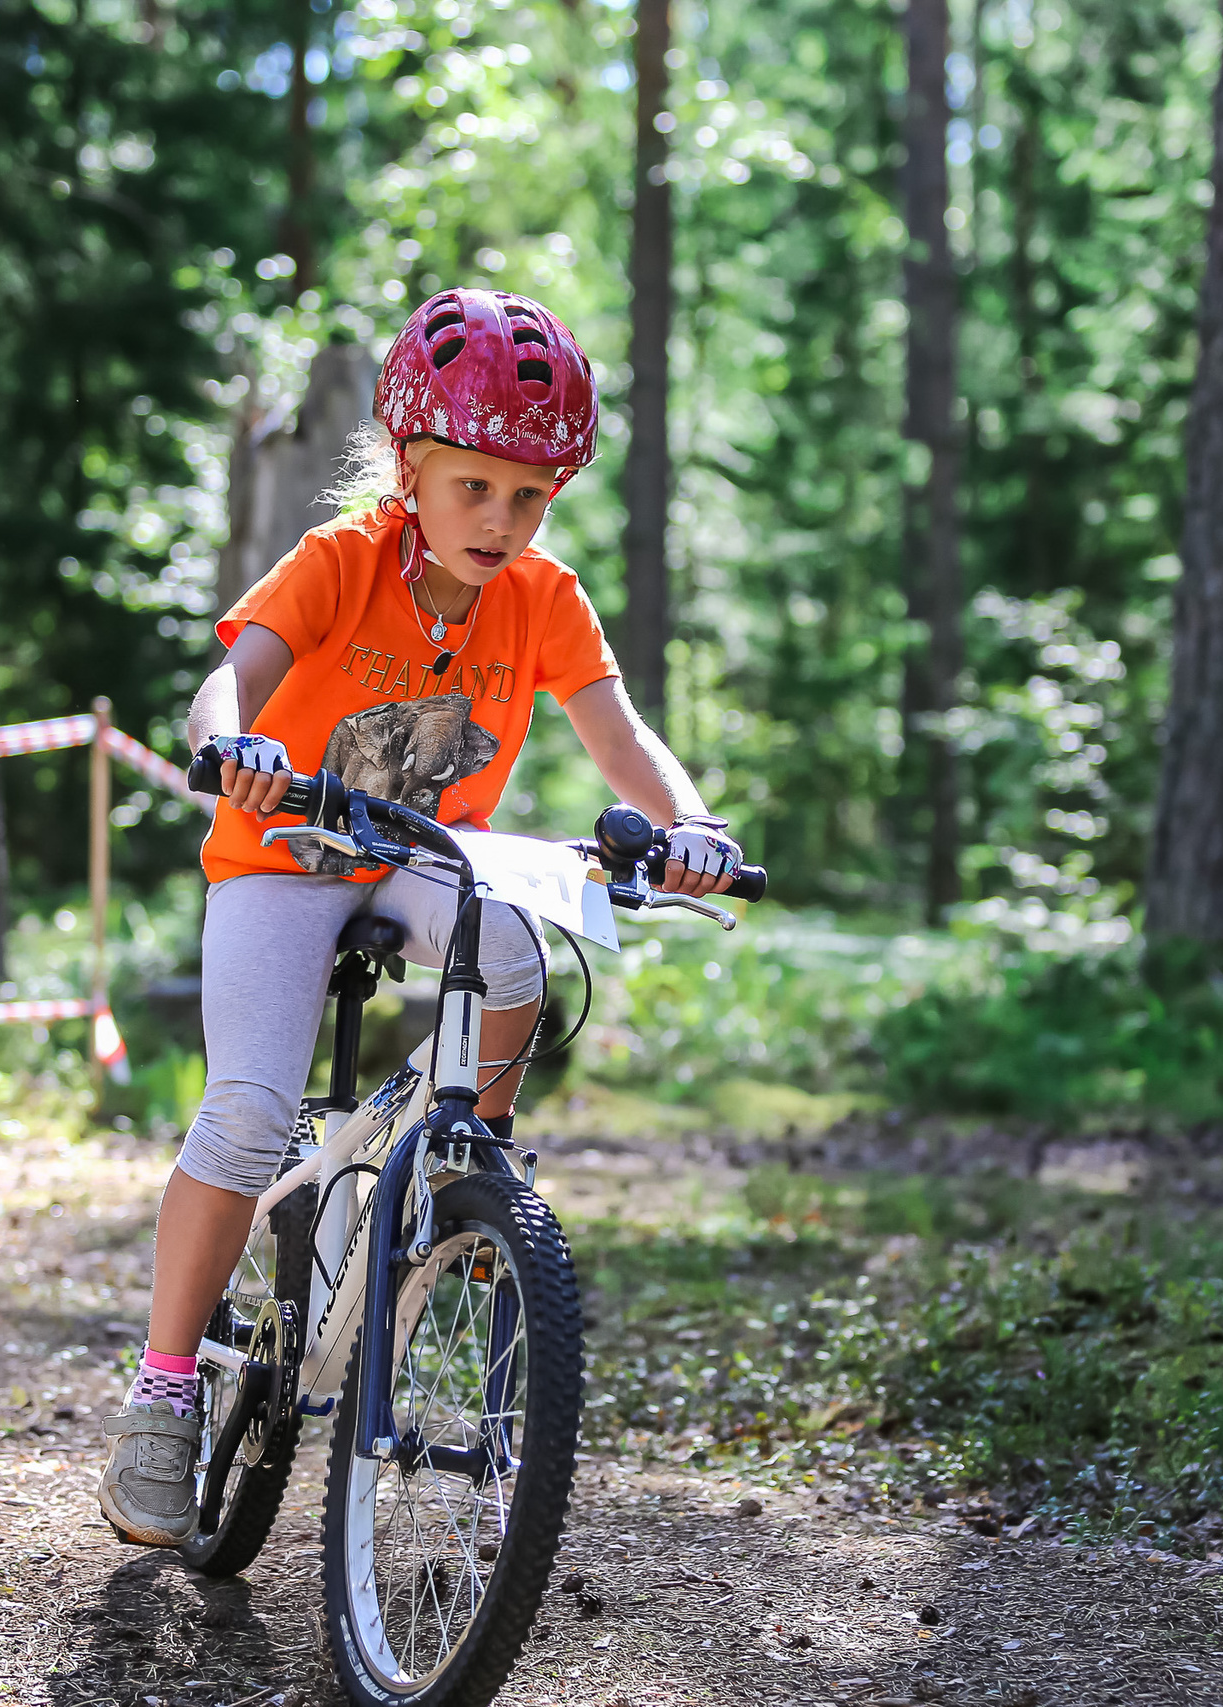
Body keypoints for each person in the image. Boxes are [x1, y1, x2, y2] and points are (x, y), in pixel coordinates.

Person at [99, 288, 745, 1547]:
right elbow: (228, 678)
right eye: (473, 490)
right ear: (410, 467)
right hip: (284, 848)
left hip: (418, 856)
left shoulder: (542, 601)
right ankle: (165, 1392)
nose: (501, 523)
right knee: (245, 1110)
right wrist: (228, 746)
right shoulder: (342, 562)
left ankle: (463, 1182)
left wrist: (695, 828)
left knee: (517, 956)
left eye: (528, 497)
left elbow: (622, 738)